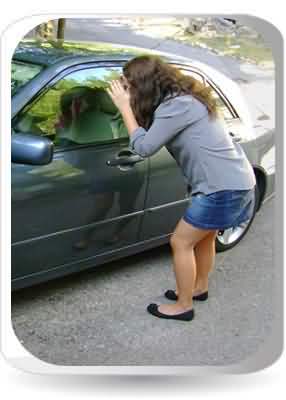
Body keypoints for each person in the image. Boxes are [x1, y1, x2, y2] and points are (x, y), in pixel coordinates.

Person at [107, 55, 257, 322]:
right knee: (205, 237)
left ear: (145, 84)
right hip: (232, 181)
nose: (127, 90)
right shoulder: (183, 99)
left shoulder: (176, 106)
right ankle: (199, 287)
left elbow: (143, 148)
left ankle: (183, 306)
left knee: (181, 241)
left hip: (221, 188)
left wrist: (124, 108)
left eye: (129, 85)